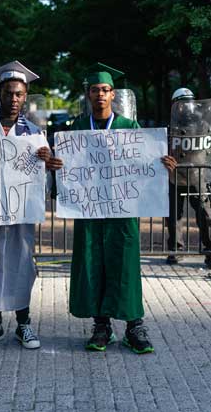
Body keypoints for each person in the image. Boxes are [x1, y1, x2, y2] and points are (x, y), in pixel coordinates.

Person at [67, 63, 177, 354]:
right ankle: (101, 325)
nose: (100, 95)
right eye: (95, 90)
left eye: (105, 90)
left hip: (122, 211)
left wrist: (163, 166)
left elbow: (145, 165)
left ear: (113, 94)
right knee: (92, 264)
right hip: (90, 212)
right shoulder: (77, 128)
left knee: (125, 264)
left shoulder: (130, 128)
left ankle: (134, 326)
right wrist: (56, 165)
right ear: (88, 94)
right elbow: (68, 167)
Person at [0, 61, 62, 350]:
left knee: (21, 263)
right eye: (8, 93)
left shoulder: (33, 132)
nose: (14, 99)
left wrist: (50, 162)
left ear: (25, 95)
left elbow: (44, 171)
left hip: (19, 213)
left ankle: (24, 324)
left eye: (19, 94)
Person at [166, 87, 211, 269]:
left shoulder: (204, 125)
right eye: (182, 103)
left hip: (198, 175)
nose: (186, 107)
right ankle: (175, 249)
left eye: (188, 102)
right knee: (174, 215)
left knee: (205, 215)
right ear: (175, 106)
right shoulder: (170, 126)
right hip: (175, 176)